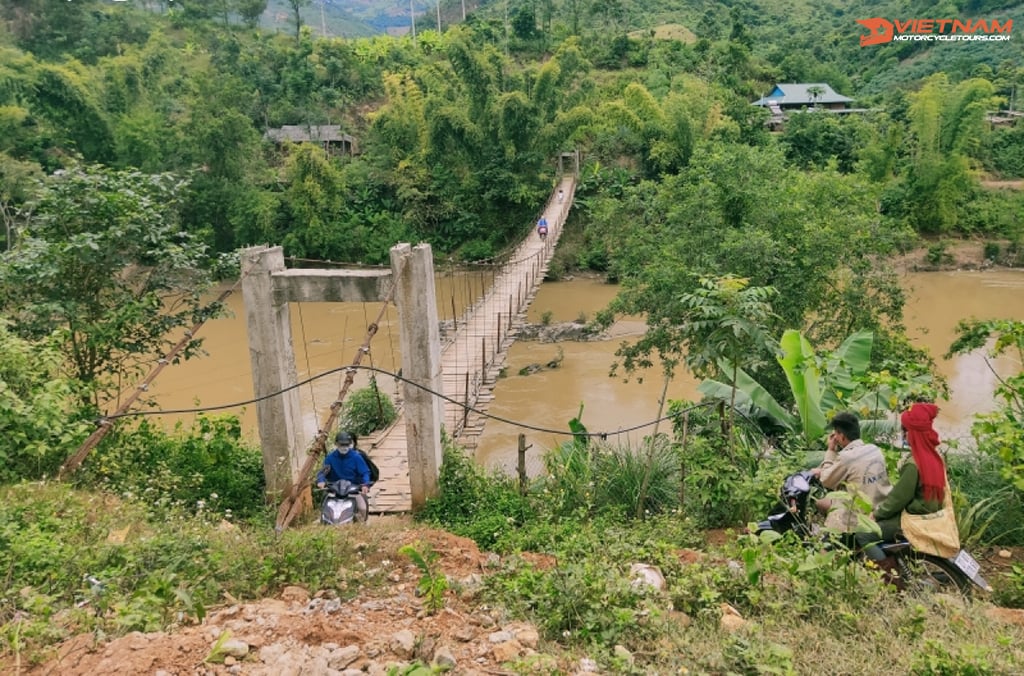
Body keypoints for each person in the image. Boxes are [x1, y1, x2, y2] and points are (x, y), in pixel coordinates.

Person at [856, 402, 947, 588]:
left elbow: (898, 499)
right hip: (928, 516)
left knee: (863, 534)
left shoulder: (914, 463)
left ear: (912, 433)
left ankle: (893, 579)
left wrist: (877, 514)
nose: (903, 434)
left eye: (905, 430)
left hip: (911, 520)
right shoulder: (934, 456)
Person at [811, 411, 892, 535]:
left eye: (836, 434)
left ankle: (831, 540)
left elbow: (826, 480)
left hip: (858, 515)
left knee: (821, 504)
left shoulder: (847, 457)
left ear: (842, 436)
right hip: (881, 506)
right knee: (824, 503)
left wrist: (830, 450)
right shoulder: (874, 449)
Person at [316, 431, 371, 522]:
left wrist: (365, 484)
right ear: (336, 444)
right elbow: (322, 472)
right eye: (341, 445)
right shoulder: (330, 458)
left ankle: (363, 525)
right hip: (334, 490)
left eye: (346, 445)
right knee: (323, 507)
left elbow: (365, 473)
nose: (344, 447)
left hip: (353, 490)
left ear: (350, 444)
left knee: (363, 508)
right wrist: (321, 481)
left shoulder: (356, 457)